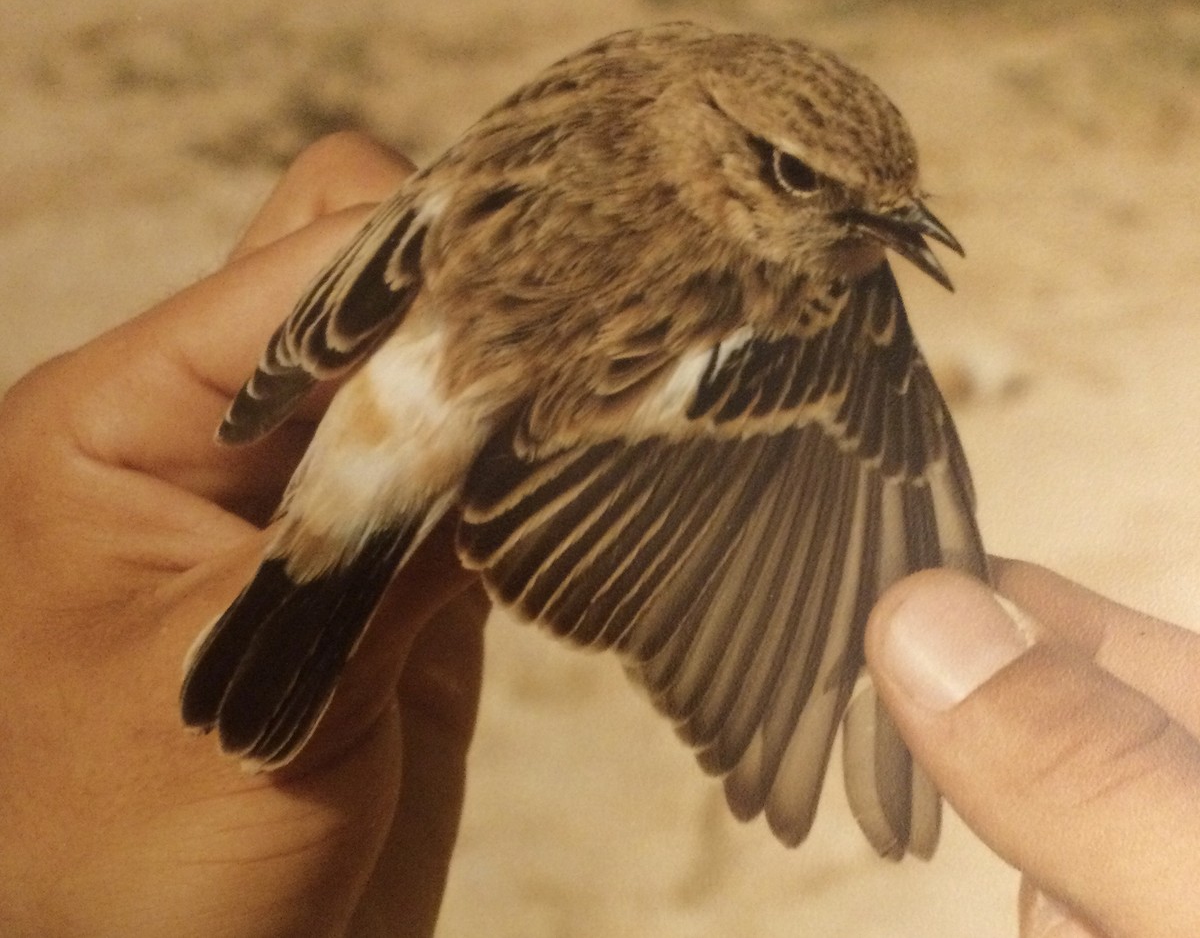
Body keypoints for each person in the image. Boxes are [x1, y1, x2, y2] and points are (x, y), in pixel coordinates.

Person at [1, 133, 1195, 937]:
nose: (858, 225)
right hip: (446, 438)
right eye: (802, 177)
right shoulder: (794, 285)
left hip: (369, 340)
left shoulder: (577, 115)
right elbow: (795, 480)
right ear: (733, 145)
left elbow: (396, 223)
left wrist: (299, 373)